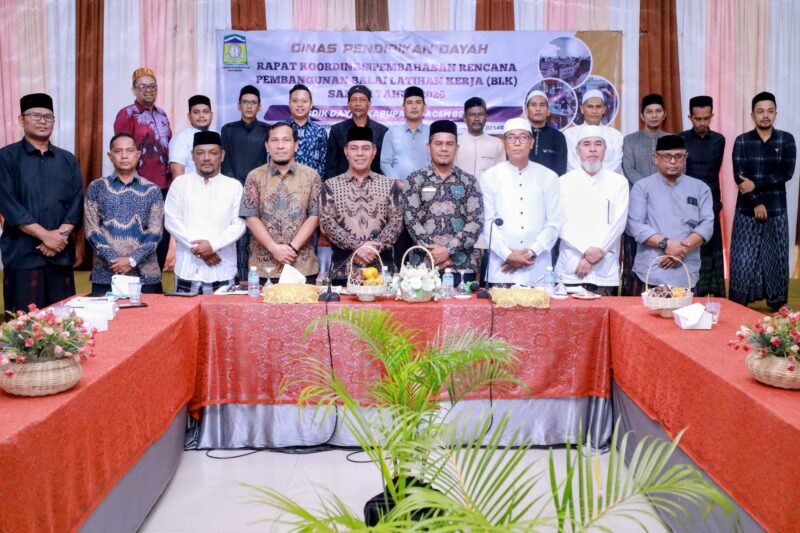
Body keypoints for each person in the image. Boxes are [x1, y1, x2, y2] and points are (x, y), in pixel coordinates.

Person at [0, 93, 84, 314]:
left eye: (48, 117)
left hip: (60, 256)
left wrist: (60, 236)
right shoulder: (6, 158)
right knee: (25, 329)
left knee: (65, 326)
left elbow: (76, 203)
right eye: (35, 115)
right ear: (21, 120)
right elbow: (9, 205)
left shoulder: (68, 159)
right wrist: (46, 236)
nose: (42, 121)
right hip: (22, 257)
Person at [730, 92, 796, 311]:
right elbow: (740, 177)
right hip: (747, 210)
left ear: (776, 113)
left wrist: (756, 184)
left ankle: (778, 305)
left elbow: (786, 172)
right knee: (743, 260)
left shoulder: (786, 139)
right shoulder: (742, 141)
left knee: (776, 259)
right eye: (760, 111)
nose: (765, 116)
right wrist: (756, 201)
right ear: (752, 115)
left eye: (770, 111)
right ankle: (739, 305)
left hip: (777, 209)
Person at [480, 117, 563, 287]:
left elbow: (555, 222)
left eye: (523, 137)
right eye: (511, 137)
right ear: (504, 143)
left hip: (538, 270)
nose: (517, 142)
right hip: (501, 270)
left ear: (531, 143)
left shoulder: (549, 177)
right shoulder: (489, 177)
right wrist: (507, 255)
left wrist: (532, 253)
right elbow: (487, 223)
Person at [627, 135, 713, 292]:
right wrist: (666, 244)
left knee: (686, 316)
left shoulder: (701, 188)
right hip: (651, 269)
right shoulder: (642, 187)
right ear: (655, 157)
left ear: (685, 157)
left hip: (686, 269)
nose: (673, 161)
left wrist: (680, 250)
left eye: (678, 156)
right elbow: (636, 225)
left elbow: (707, 225)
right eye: (667, 156)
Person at [402, 120, 483, 287]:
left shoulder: (469, 181)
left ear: (457, 148)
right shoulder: (415, 180)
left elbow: (476, 221)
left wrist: (448, 250)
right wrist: (433, 253)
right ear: (429, 147)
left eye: (449, 144)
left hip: (461, 266)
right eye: (438, 143)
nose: (444, 149)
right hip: (422, 267)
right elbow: (411, 220)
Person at [241, 122, 322, 285]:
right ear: (266, 146)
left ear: (296, 145)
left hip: (302, 267)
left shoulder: (311, 176)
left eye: (286, 140)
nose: (280, 146)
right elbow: (250, 217)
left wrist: (291, 249)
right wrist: (274, 248)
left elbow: (315, 216)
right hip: (263, 269)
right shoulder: (254, 176)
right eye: (274, 140)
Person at [165, 131, 245, 294]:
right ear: (192, 156)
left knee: (224, 319)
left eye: (213, 153)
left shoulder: (234, 186)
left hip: (222, 270)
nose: (206, 158)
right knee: (185, 319)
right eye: (200, 153)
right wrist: (200, 249)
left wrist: (213, 246)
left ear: (222, 155)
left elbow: (239, 225)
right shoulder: (180, 184)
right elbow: (171, 221)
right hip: (187, 269)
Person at [320, 126, 403, 282]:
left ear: (374, 152)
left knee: (385, 308)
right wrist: (358, 246)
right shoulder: (331, 185)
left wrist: (372, 248)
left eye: (365, 148)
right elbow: (327, 223)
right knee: (344, 308)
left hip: (383, 273)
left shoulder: (389, 185)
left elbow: (396, 222)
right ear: (346, 151)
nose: (359, 153)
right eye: (354, 148)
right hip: (342, 272)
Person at [84, 133, 163, 295]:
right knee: (108, 320)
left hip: (146, 276)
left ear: (138, 154)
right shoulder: (96, 187)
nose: (124, 156)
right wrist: (115, 261)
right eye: (118, 151)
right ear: (110, 156)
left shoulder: (152, 190)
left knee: (151, 320)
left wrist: (132, 260)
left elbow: (155, 233)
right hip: (105, 275)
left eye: (130, 150)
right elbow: (91, 229)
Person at [556, 126, 629, 296]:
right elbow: (559, 223)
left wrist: (596, 253)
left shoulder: (618, 182)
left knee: (604, 320)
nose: (593, 149)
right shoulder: (563, 183)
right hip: (572, 264)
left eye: (598, 144)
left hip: (605, 264)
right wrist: (586, 253)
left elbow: (619, 224)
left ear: (605, 149)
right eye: (586, 144)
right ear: (577, 150)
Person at [114, 67, 172, 269]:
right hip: (137, 185)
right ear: (134, 90)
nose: (148, 90)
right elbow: (122, 151)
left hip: (164, 185)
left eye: (152, 86)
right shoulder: (127, 114)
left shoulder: (163, 114)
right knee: (137, 233)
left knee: (161, 234)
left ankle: (155, 281)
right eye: (143, 86)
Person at [620, 93, 668, 295]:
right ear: (642, 115)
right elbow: (628, 168)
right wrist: (650, 187)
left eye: (658, 111)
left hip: (666, 203)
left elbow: (678, 168)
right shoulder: (630, 140)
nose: (654, 116)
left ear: (664, 114)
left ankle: (664, 294)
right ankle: (633, 295)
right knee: (635, 248)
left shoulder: (671, 140)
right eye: (649, 112)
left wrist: (658, 190)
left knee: (662, 246)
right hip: (637, 203)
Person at [220, 85, 270, 281]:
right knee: (237, 238)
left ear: (260, 106)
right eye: (245, 102)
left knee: (258, 237)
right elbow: (225, 161)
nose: (249, 106)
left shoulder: (266, 130)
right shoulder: (228, 130)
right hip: (234, 191)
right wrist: (237, 188)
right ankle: (238, 280)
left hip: (261, 192)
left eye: (253, 102)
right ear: (238, 105)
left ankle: (259, 280)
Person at [680, 95, 726, 297]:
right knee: (690, 247)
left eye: (706, 118)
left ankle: (713, 293)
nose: (702, 123)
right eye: (698, 119)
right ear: (690, 117)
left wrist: (714, 204)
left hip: (712, 201)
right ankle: (692, 291)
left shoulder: (719, 140)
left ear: (712, 116)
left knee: (711, 248)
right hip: (687, 202)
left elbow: (713, 172)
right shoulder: (681, 139)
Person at [325, 85, 388, 180]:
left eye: (362, 100)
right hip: (343, 186)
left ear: (369, 104)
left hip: (374, 186)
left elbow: (384, 164)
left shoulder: (381, 131)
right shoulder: (337, 130)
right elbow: (331, 164)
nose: (358, 103)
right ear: (349, 104)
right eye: (354, 100)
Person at [380, 86, 431, 185]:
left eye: (418, 102)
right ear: (403, 107)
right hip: (398, 190)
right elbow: (385, 163)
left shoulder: (432, 133)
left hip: (428, 189)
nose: (414, 106)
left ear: (425, 107)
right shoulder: (392, 133)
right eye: (409, 103)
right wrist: (397, 181)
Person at [564, 89, 623, 173]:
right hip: (578, 183)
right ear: (582, 109)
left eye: (598, 107)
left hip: (607, 183)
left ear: (604, 109)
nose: (594, 111)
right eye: (590, 106)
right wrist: (587, 178)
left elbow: (616, 163)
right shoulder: (569, 134)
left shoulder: (616, 135)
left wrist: (598, 178)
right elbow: (570, 163)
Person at [454, 96, 505, 179]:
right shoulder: (455, 142)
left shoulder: (497, 143)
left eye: (480, 114)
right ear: (465, 118)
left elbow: (501, 175)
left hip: (487, 191)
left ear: (486, 117)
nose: (476, 119)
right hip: (460, 190)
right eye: (472, 115)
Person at [287, 83, 327, 180]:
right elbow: (272, 160)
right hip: (284, 188)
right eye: (295, 101)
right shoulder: (280, 129)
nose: (300, 105)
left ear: (311, 104)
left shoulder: (320, 130)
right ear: (289, 104)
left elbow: (323, 162)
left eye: (304, 101)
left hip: (312, 187)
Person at [169, 95, 214, 177]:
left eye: (205, 111)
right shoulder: (181, 138)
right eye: (196, 112)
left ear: (211, 115)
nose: (201, 115)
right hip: (190, 189)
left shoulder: (217, 135)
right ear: (189, 116)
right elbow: (177, 172)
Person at [524, 89, 567, 176]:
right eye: (533, 105)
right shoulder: (521, 136)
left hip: (550, 187)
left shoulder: (558, 137)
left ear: (548, 111)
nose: (538, 109)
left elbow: (561, 170)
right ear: (526, 111)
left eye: (542, 105)